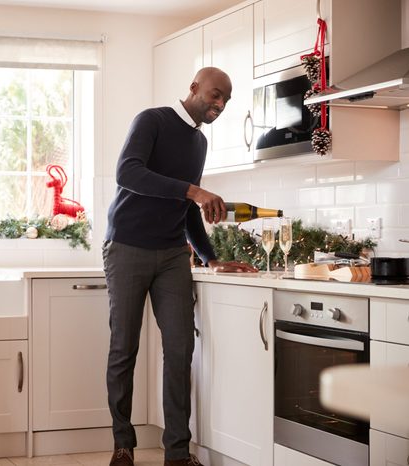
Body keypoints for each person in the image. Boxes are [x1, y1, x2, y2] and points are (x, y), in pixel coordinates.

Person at [103, 67, 258, 466]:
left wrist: (209, 257)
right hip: (127, 246)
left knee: (180, 348)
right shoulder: (151, 120)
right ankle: (123, 443)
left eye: (225, 99)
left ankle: (176, 453)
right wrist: (194, 190)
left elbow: (188, 209)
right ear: (194, 88)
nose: (219, 104)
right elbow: (128, 172)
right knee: (125, 348)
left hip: (173, 255)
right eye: (214, 95)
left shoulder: (199, 144)